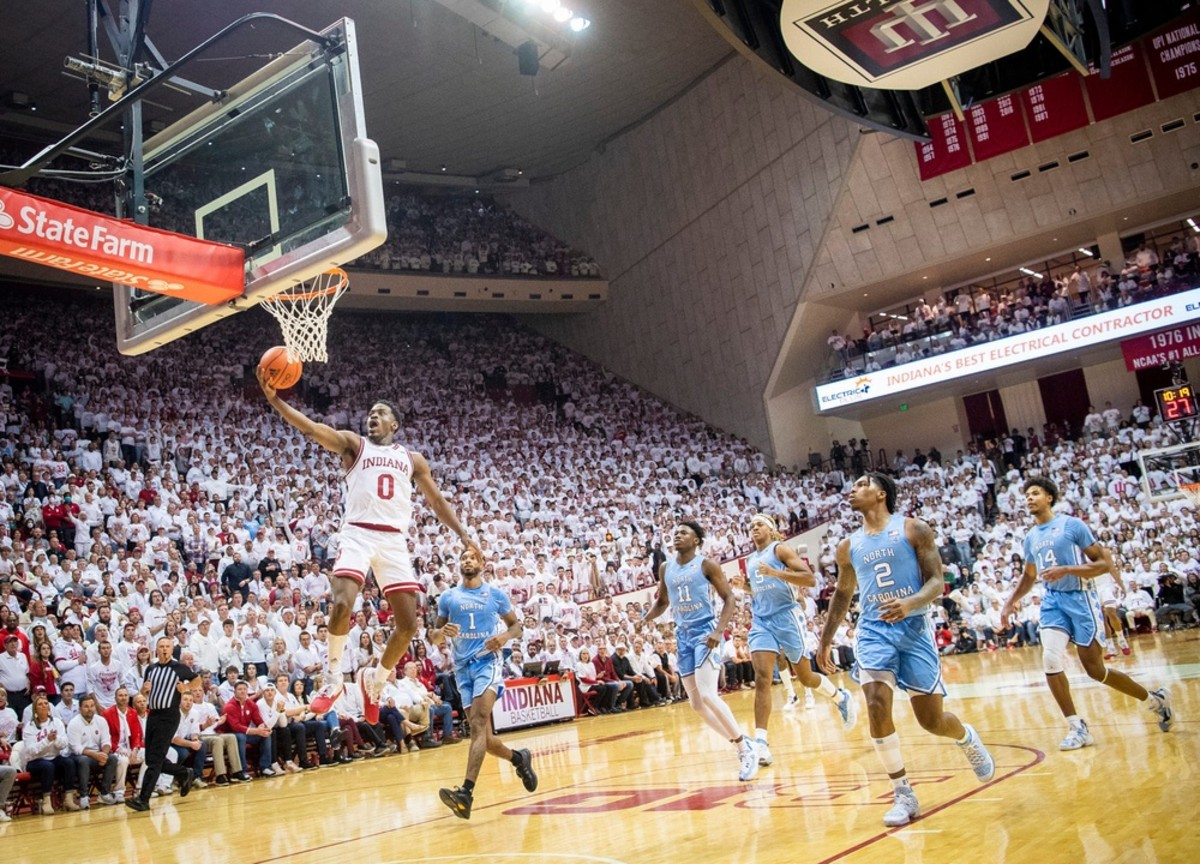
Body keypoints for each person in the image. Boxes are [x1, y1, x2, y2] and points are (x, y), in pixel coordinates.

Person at [258, 371, 478, 724]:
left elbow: (436, 502)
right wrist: (275, 400)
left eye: (379, 413)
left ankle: (375, 683)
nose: (371, 417)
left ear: (394, 423)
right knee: (343, 602)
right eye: (369, 413)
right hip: (358, 533)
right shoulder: (353, 445)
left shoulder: (413, 459)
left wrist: (463, 534)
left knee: (408, 625)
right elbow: (312, 429)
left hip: (393, 540)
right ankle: (331, 681)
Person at [819, 473, 994, 827]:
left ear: (881, 494)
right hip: (872, 630)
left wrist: (911, 602)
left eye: (862, 485)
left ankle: (965, 737)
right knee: (876, 703)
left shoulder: (914, 529)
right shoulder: (847, 546)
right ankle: (903, 792)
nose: (852, 490)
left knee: (932, 721)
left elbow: (937, 582)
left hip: (914, 629)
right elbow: (842, 593)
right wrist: (825, 640)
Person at [1000, 477, 1173, 751]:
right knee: (1050, 657)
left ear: (1050, 498)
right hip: (1053, 602)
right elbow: (1030, 575)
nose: (1029, 498)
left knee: (1095, 670)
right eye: (1027, 495)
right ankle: (1076, 727)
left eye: (1035, 493)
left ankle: (1154, 700)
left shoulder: (1072, 525)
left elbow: (1103, 564)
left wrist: (1067, 569)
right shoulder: (1031, 537)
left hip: (1082, 600)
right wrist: (1010, 602)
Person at [739, 514, 856, 769]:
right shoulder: (749, 560)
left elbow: (809, 578)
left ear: (771, 530)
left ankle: (839, 697)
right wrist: (745, 588)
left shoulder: (779, 549)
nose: (754, 528)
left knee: (805, 677)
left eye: (759, 524)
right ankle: (761, 742)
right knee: (762, 676)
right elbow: (761, 588)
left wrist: (776, 573)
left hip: (787, 618)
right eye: (750, 527)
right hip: (761, 621)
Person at [643, 521, 757, 781]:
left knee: (707, 694)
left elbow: (729, 598)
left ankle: (744, 749)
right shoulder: (665, 568)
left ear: (696, 540)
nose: (677, 535)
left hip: (705, 632)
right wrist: (646, 618)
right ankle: (741, 741)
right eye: (675, 532)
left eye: (684, 532)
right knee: (696, 704)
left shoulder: (707, 564)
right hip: (682, 635)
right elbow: (662, 602)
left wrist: (719, 630)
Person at [432, 547, 537, 819]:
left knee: (478, 723)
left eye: (472, 558)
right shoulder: (449, 597)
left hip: (487, 662)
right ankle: (519, 758)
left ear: (482, 564)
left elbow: (517, 627)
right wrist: (441, 632)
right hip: (462, 669)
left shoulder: (495, 595)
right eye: (463, 558)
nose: (467, 561)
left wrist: (502, 639)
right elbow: (432, 635)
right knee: (486, 739)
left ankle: (465, 793)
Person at [124, 636, 199, 812]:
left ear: (172, 649)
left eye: (167, 646)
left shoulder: (179, 668)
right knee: (151, 758)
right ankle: (183, 773)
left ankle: (143, 799)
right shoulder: (150, 668)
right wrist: (143, 691)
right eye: (161, 646)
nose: (164, 649)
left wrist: (186, 689)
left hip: (169, 715)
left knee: (155, 760)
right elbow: (145, 690)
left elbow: (197, 680)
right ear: (156, 650)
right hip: (153, 715)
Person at [67, 693, 119, 807]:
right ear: (80, 709)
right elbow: (76, 748)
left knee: (112, 758)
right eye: (86, 706)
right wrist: (96, 755)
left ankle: (104, 794)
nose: (90, 709)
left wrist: (104, 755)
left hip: (97, 755)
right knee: (84, 760)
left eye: (92, 706)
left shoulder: (101, 720)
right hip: (78, 756)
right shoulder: (74, 723)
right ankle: (84, 796)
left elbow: (106, 741)